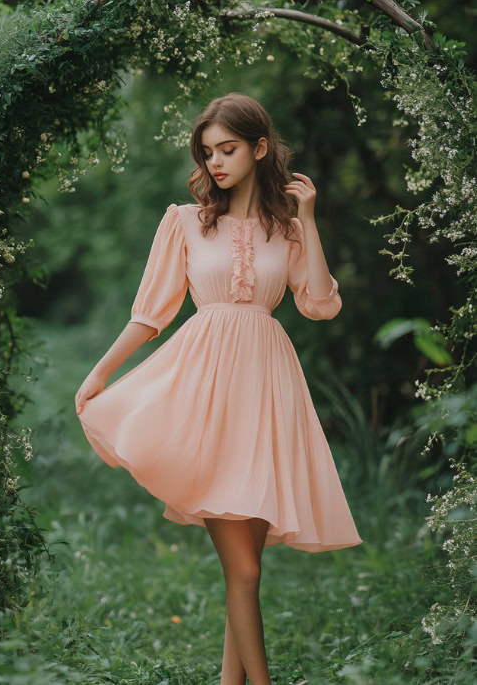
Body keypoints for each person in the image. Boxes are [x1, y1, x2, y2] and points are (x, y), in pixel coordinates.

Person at [75, 92, 363, 685]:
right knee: (246, 574)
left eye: (227, 149)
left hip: (267, 390)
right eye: (207, 153)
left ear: (260, 148)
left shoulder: (286, 229)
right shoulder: (184, 221)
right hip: (204, 394)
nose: (215, 164)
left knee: (247, 569)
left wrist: (307, 220)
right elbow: (151, 313)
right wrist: (99, 373)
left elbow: (320, 304)